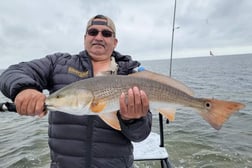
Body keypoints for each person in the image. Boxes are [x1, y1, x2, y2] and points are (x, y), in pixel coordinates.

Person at [0, 14, 152, 168]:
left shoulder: (131, 74)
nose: (99, 37)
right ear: (85, 37)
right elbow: (13, 72)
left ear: (115, 42)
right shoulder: (58, 63)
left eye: (106, 34)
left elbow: (140, 135)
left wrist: (132, 120)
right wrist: (25, 89)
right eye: (93, 32)